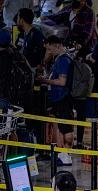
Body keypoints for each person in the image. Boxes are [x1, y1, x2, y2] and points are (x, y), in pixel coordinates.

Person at [38, 36, 75, 166]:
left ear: (57, 46)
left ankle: (65, 155)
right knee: (59, 126)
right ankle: (62, 154)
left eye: (50, 49)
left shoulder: (63, 60)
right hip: (60, 98)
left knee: (65, 127)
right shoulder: (63, 59)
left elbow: (62, 81)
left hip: (62, 98)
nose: (49, 52)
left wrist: (45, 80)